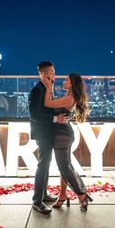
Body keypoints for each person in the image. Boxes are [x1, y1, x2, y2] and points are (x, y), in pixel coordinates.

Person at [42, 73, 93, 211]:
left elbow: (47, 104)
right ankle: (63, 195)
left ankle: (82, 195)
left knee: (64, 166)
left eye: (66, 80)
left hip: (62, 135)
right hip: (63, 133)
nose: (63, 82)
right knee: (64, 166)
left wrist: (48, 86)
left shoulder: (69, 98)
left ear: (71, 84)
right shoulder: (69, 97)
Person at [29, 61, 69, 214]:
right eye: (52, 72)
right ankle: (37, 201)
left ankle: (44, 195)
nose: (55, 75)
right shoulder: (38, 90)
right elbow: (35, 115)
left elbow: (50, 108)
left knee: (46, 164)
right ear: (44, 74)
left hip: (48, 132)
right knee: (43, 166)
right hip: (42, 133)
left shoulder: (47, 89)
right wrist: (55, 119)